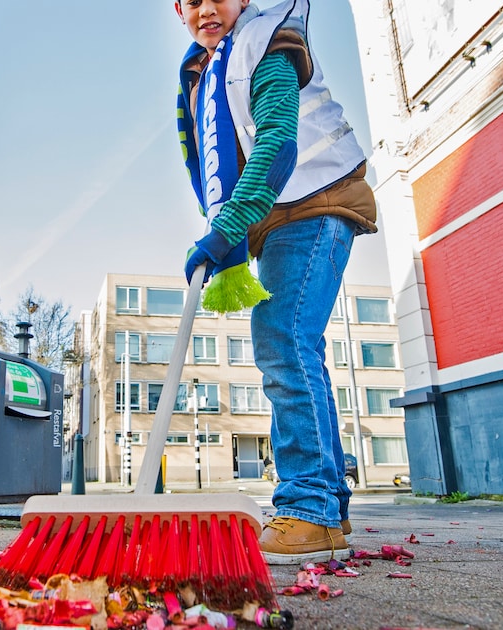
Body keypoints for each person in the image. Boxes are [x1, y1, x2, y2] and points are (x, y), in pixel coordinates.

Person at [173, 0, 378, 564]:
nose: (206, 9)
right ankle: (326, 506)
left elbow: (277, 142)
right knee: (295, 343)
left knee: (283, 336)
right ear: (177, 9)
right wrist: (223, 232)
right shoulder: (202, 69)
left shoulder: (264, 44)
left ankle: (308, 507)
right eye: (192, 0)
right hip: (280, 219)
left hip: (317, 200)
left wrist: (227, 230)